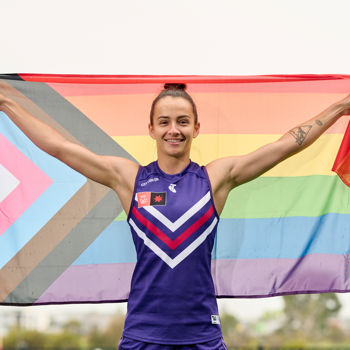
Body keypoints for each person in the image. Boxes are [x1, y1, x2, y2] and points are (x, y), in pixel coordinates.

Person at [1, 83, 350, 350]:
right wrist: (7, 103)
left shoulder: (216, 179)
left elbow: (287, 144)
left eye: (182, 122)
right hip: (142, 334)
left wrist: (338, 108)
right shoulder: (129, 179)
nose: (174, 130)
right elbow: (60, 148)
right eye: (164, 122)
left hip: (202, 334)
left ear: (196, 128)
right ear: (150, 129)